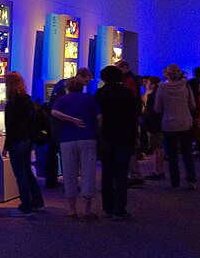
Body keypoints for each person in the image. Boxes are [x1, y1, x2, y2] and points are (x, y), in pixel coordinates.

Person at [51, 77, 102, 220]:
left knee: (69, 173)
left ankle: (72, 210)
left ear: (67, 88)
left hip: (67, 139)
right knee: (88, 172)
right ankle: (87, 210)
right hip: (88, 137)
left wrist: (71, 120)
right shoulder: (89, 98)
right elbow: (99, 118)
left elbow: (54, 113)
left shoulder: (62, 100)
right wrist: (96, 131)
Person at [95, 65, 139, 220]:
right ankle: (120, 209)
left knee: (107, 174)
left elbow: (97, 118)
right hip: (124, 137)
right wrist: (134, 137)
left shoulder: (100, 93)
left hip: (107, 138)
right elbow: (133, 116)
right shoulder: (126, 93)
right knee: (121, 175)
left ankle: (108, 207)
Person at [3, 71, 44, 217]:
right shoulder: (28, 100)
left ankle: (25, 206)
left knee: (20, 175)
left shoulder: (12, 103)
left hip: (17, 142)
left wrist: (6, 147)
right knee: (27, 172)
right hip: (28, 140)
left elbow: (10, 127)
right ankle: (38, 203)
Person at [45, 67, 93, 188]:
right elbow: (59, 110)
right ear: (80, 76)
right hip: (60, 125)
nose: (85, 85)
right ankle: (69, 183)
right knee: (65, 154)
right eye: (85, 81)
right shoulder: (66, 89)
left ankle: (51, 180)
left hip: (54, 124)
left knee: (52, 152)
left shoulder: (61, 83)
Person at [154, 63, 197, 190]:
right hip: (185, 122)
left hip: (169, 124)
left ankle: (175, 183)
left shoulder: (161, 88)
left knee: (172, 156)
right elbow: (192, 105)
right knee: (187, 153)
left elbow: (157, 108)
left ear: (167, 73)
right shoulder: (186, 86)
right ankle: (191, 180)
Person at [115, 60, 144, 186]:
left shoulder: (128, 81)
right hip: (131, 117)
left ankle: (134, 174)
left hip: (128, 118)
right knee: (131, 145)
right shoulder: (131, 79)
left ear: (125, 68)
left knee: (129, 147)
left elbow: (130, 98)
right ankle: (134, 174)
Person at [142, 76, 165, 180]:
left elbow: (151, 111)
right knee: (158, 148)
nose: (146, 84)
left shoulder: (153, 96)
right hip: (158, 123)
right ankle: (159, 170)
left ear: (152, 85)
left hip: (153, 124)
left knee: (156, 148)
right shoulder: (159, 94)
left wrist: (145, 121)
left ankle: (158, 171)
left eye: (148, 83)